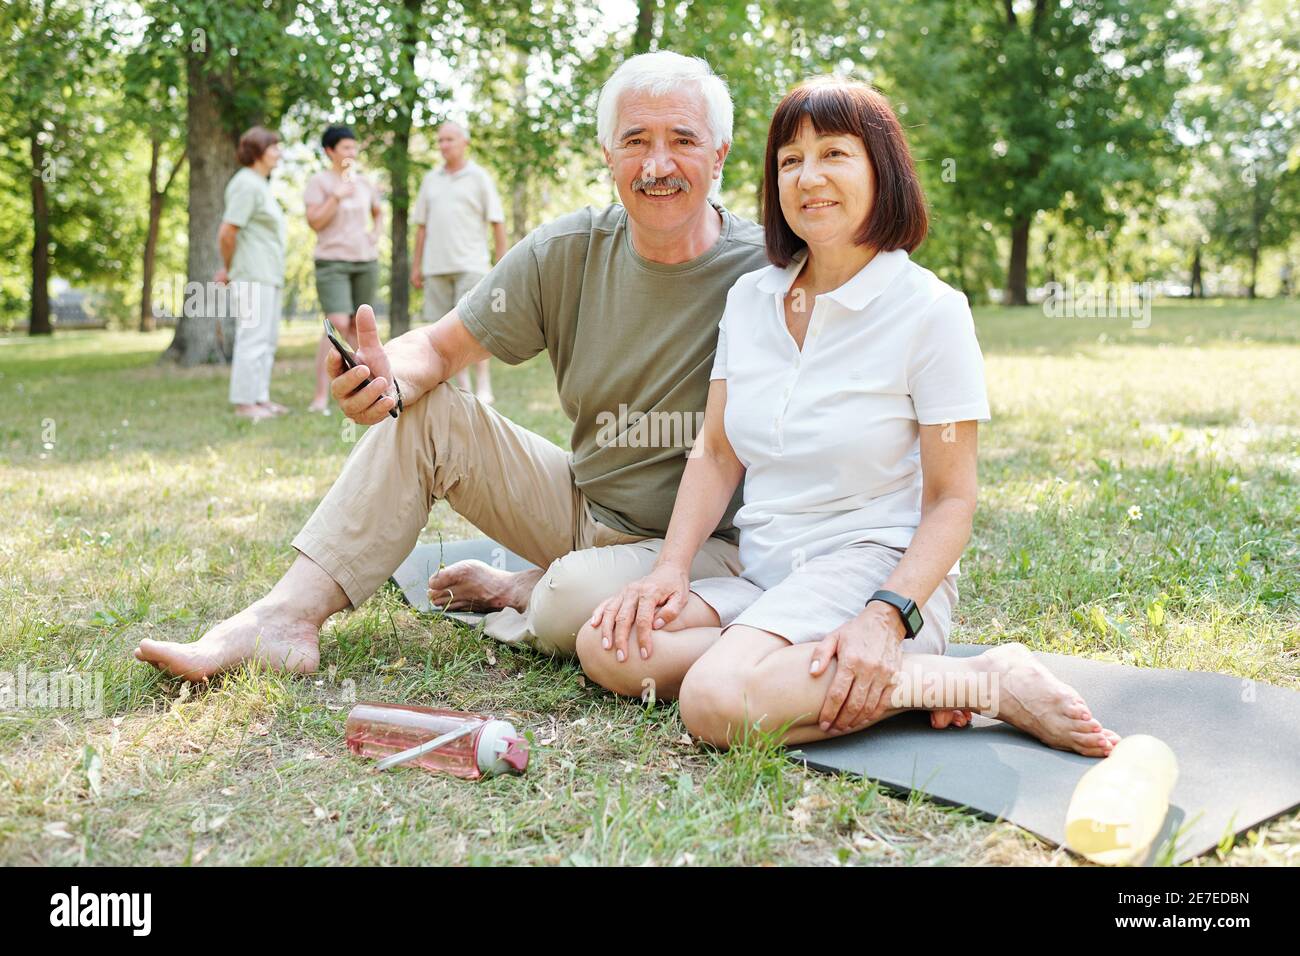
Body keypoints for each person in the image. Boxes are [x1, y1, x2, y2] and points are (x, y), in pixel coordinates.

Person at [139, 53, 904, 702]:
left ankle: (526, 588)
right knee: (430, 414)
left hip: (703, 546)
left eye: (682, 140)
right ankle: (284, 618)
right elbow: (437, 349)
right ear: (608, 156)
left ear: (722, 154)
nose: (658, 163)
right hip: (580, 501)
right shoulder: (566, 251)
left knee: (576, 602)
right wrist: (386, 375)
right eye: (635, 141)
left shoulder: (773, 267)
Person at [575, 79, 1120, 758]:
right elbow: (716, 453)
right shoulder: (750, 298)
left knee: (714, 702)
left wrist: (888, 616)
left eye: (834, 153)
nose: (809, 177)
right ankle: (853, 678)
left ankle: (984, 681)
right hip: (768, 573)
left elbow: (952, 500)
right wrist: (670, 570)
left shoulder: (930, 310)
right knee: (609, 647)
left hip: (875, 570)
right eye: (790, 161)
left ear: (881, 170)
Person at [411, 121, 506, 404]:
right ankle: (462, 387)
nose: (443, 145)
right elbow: (421, 228)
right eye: (440, 141)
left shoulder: (479, 178)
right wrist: (416, 266)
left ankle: (484, 383)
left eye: (449, 140)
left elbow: (497, 223)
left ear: (465, 142)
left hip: (471, 264)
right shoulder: (430, 179)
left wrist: (502, 265)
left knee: (475, 326)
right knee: (441, 332)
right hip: (435, 267)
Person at [305, 125, 384, 414]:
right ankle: (319, 396)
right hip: (332, 261)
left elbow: (378, 213)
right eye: (345, 148)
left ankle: (358, 392)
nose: (352, 152)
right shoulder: (319, 182)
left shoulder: (365, 183)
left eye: (354, 147)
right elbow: (314, 221)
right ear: (330, 151)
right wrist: (336, 196)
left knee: (357, 326)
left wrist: (375, 234)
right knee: (336, 322)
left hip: (365, 261)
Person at [218, 126, 287, 422]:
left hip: (268, 273)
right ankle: (244, 403)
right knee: (253, 338)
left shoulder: (261, 184)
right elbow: (227, 232)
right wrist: (230, 268)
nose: (279, 152)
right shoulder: (245, 183)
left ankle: (260, 398)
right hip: (250, 274)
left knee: (267, 339)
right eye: (274, 147)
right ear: (258, 151)